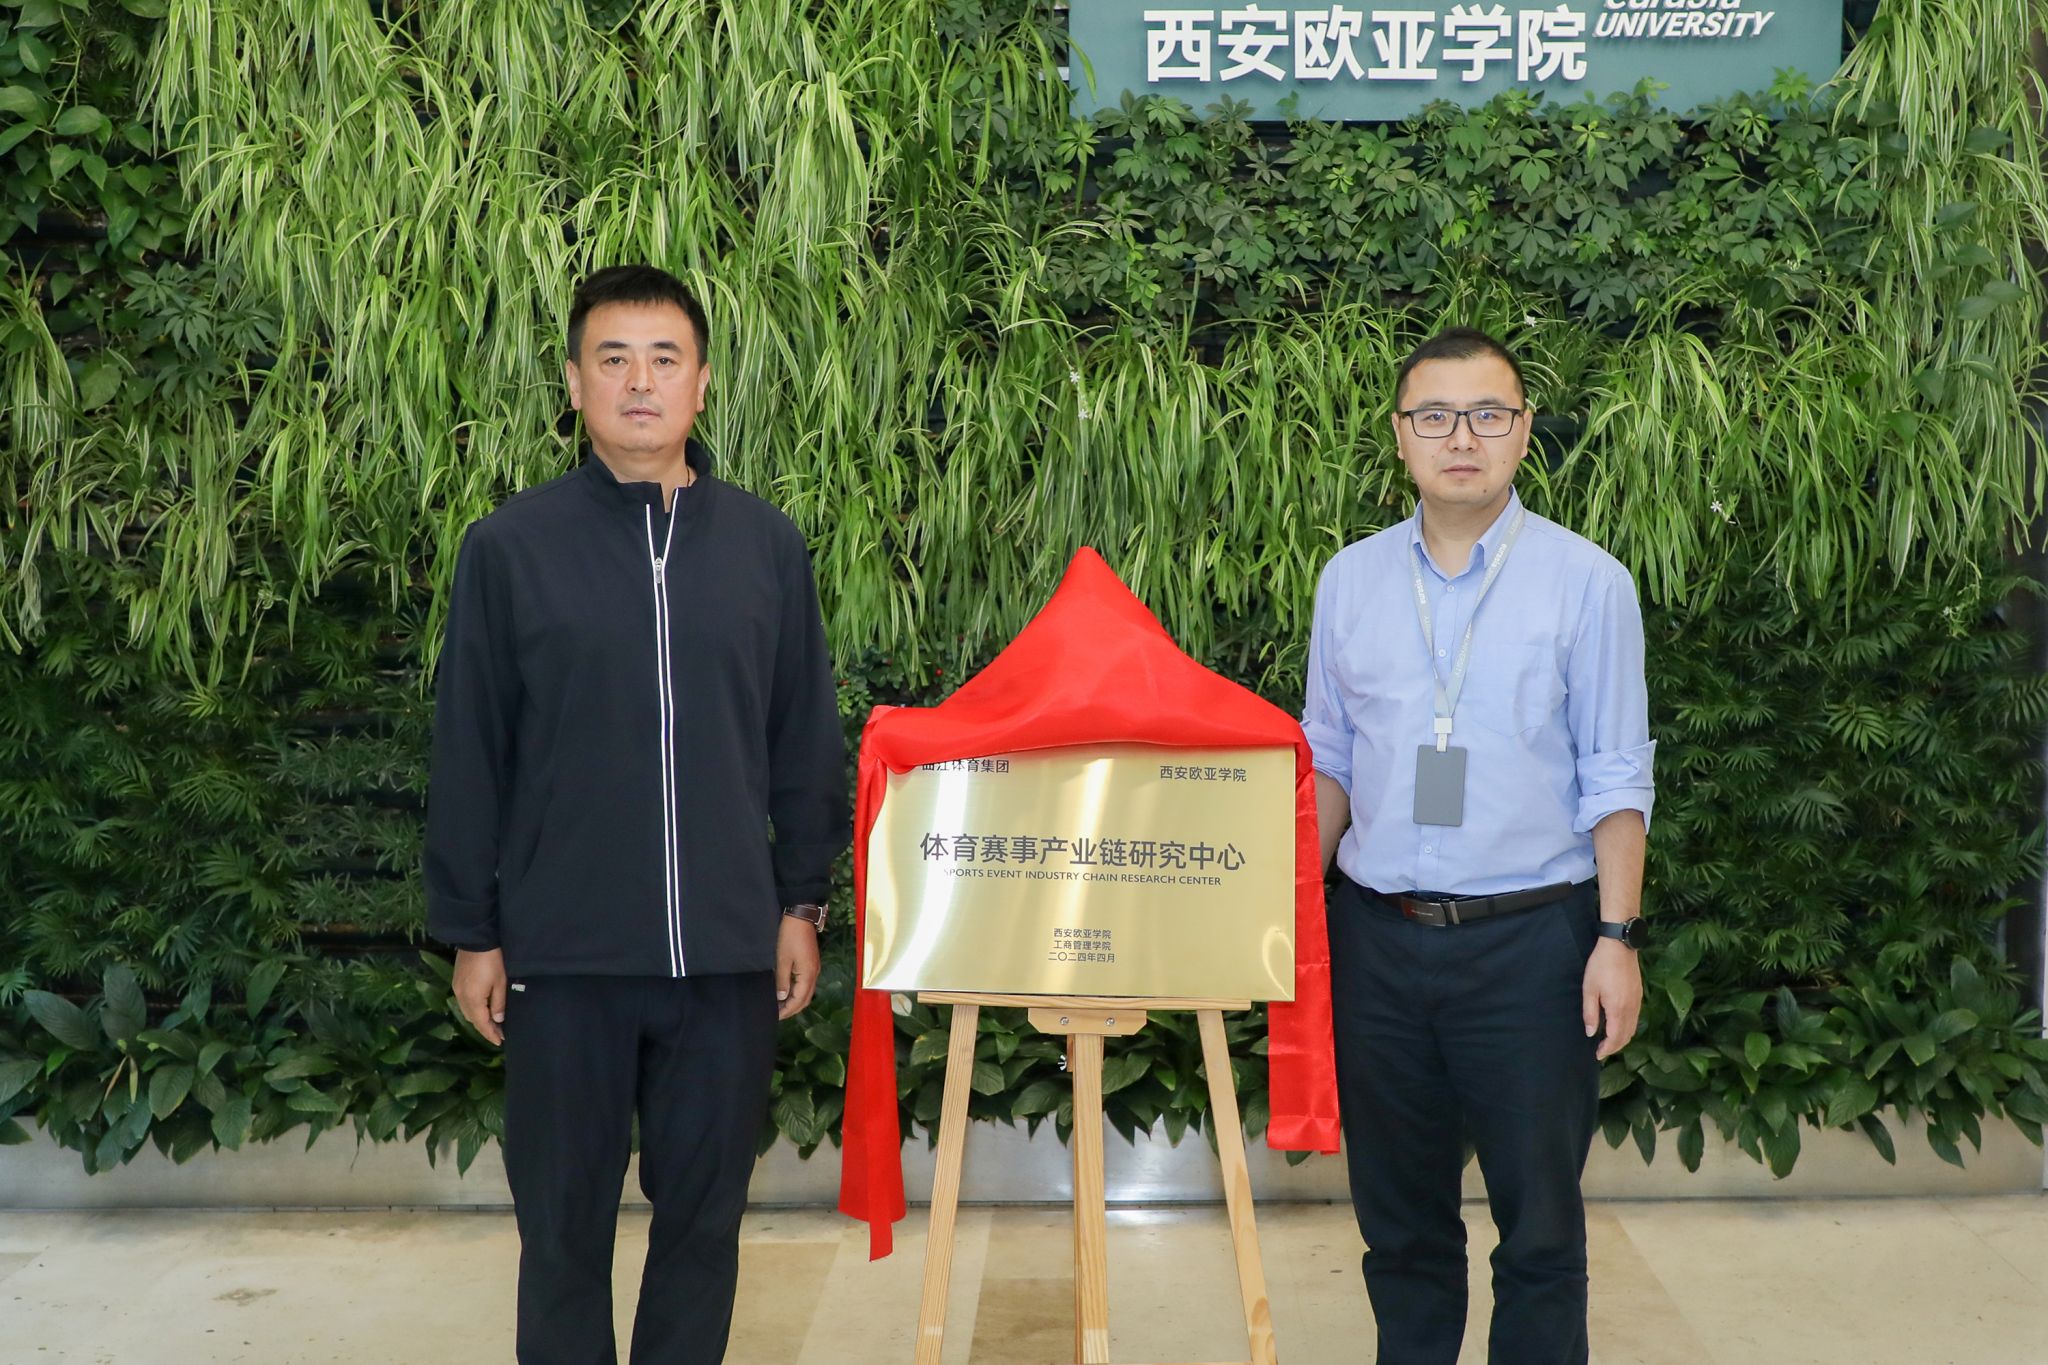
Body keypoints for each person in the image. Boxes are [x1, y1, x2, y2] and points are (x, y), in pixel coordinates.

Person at [423, 264, 848, 1365]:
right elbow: (471, 749)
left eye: (665, 360)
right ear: (574, 383)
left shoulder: (764, 547)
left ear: (702, 384)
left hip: (725, 954)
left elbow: (802, 737)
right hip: (564, 956)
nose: (640, 383)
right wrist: (473, 928)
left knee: (704, 1224)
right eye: (613, 360)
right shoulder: (510, 548)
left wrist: (800, 901)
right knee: (561, 1230)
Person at [1301, 326, 1655, 1364]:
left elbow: (1616, 774)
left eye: (1487, 414)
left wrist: (1616, 938)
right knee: (1398, 1223)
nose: (1462, 437)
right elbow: (1328, 757)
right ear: (1400, 435)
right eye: (1435, 416)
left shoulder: (1587, 583)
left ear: (1523, 431)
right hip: (1377, 941)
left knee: (1539, 1228)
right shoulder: (1349, 580)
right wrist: (1285, 913)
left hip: (1531, 945)